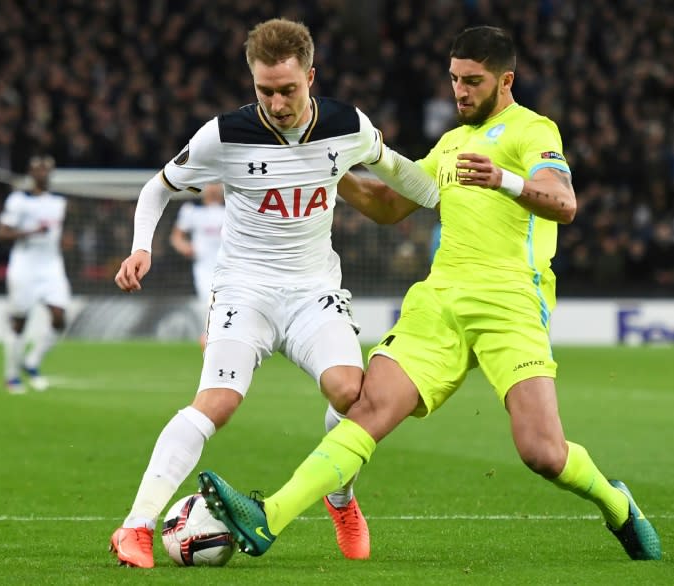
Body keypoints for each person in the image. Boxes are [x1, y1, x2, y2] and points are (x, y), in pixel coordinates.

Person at [197, 26, 663, 562]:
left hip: (509, 301)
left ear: (505, 80)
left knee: (542, 453)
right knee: (369, 406)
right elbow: (388, 206)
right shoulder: (451, 144)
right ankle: (269, 516)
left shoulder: (532, 130)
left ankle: (617, 503)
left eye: (472, 81)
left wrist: (505, 181)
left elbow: (563, 202)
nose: (459, 92)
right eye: (454, 80)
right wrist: (321, 158)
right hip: (439, 300)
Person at [109, 18, 438, 568]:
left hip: (314, 292)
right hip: (245, 290)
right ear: (252, 83)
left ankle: (340, 498)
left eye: (289, 89)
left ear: (311, 76)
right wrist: (141, 247)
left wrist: (455, 190)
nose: (278, 102)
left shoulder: (347, 125)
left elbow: (405, 177)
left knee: (352, 397)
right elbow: (156, 189)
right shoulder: (223, 136)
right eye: (266, 90)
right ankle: (136, 528)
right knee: (218, 402)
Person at [0, 155, 70, 394]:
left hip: (51, 266)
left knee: (59, 318)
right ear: (30, 173)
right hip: (24, 266)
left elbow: (62, 232)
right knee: (20, 322)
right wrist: (31, 232)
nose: (42, 173)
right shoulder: (18, 201)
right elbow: (2, 233)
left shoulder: (59, 202)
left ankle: (32, 362)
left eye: (45, 169)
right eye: (37, 169)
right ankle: (11, 376)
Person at [169, 183, 225, 347]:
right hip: (203, 268)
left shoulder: (231, 210)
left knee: (225, 303)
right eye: (210, 184)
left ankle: (214, 337)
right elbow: (176, 237)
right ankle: (210, 337)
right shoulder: (192, 211)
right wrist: (185, 247)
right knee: (209, 301)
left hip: (229, 267)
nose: (214, 188)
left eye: (217, 184)